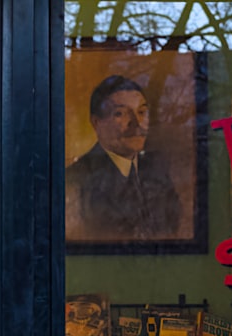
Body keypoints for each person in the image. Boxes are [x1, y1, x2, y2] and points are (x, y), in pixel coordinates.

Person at [65, 74, 181, 242]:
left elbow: (172, 228)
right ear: (96, 122)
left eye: (142, 112)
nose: (137, 123)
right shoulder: (75, 179)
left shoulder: (157, 169)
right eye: (120, 113)